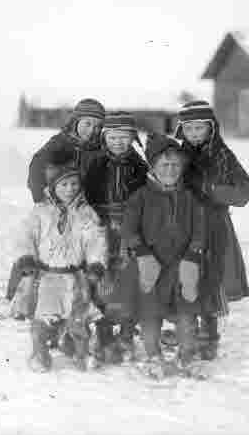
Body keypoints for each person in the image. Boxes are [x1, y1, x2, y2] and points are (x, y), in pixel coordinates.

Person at [121, 133, 213, 378]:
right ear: (153, 166)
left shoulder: (190, 198)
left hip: (182, 268)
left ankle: (187, 356)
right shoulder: (140, 197)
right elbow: (129, 229)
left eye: (175, 165)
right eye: (164, 165)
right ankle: (153, 356)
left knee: (187, 316)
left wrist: (193, 255)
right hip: (150, 267)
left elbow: (200, 230)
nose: (171, 170)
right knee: (150, 317)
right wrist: (141, 253)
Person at [11, 154, 108, 373]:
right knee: (44, 318)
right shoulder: (40, 212)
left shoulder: (86, 213)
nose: (70, 189)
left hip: (75, 276)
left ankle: (84, 353)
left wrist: (95, 264)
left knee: (79, 317)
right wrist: (27, 257)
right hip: (48, 276)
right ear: (53, 187)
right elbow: (25, 236)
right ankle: (39, 352)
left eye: (74, 184)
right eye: (63, 184)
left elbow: (96, 241)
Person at [174, 100, 249, 360]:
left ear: (211, 129)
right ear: (181, 130)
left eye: (199, 128)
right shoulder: (176, 155)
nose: (194, 133)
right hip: (183, 224)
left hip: (214, 226)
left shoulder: (223, 156)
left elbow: (242, 194)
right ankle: (187, 330)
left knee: (211, 278)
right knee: (185, 277)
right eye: (189, 128)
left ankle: (209, 335)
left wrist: (210, 189)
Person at [83, 111, 148, 363]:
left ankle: (127, 333)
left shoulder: (139, 166)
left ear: (133, 138)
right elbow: (85, 197)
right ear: (104, 138)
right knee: (102, 279)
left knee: (129, 279)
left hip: (130, 228)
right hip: (102, 228)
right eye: (113, 137)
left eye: (124, 137)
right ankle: (104, 332)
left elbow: (146, 198)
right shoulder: (96, 165)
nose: (118, 142)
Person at [27, 98, 105, 203]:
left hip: (88, 208)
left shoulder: (100, 148)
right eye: (87, 124)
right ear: (76, 121)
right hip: (59, 205)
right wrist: (42, 200)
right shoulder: (60, 143)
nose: (92, 130)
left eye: (97, 127)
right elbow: (36, 169)